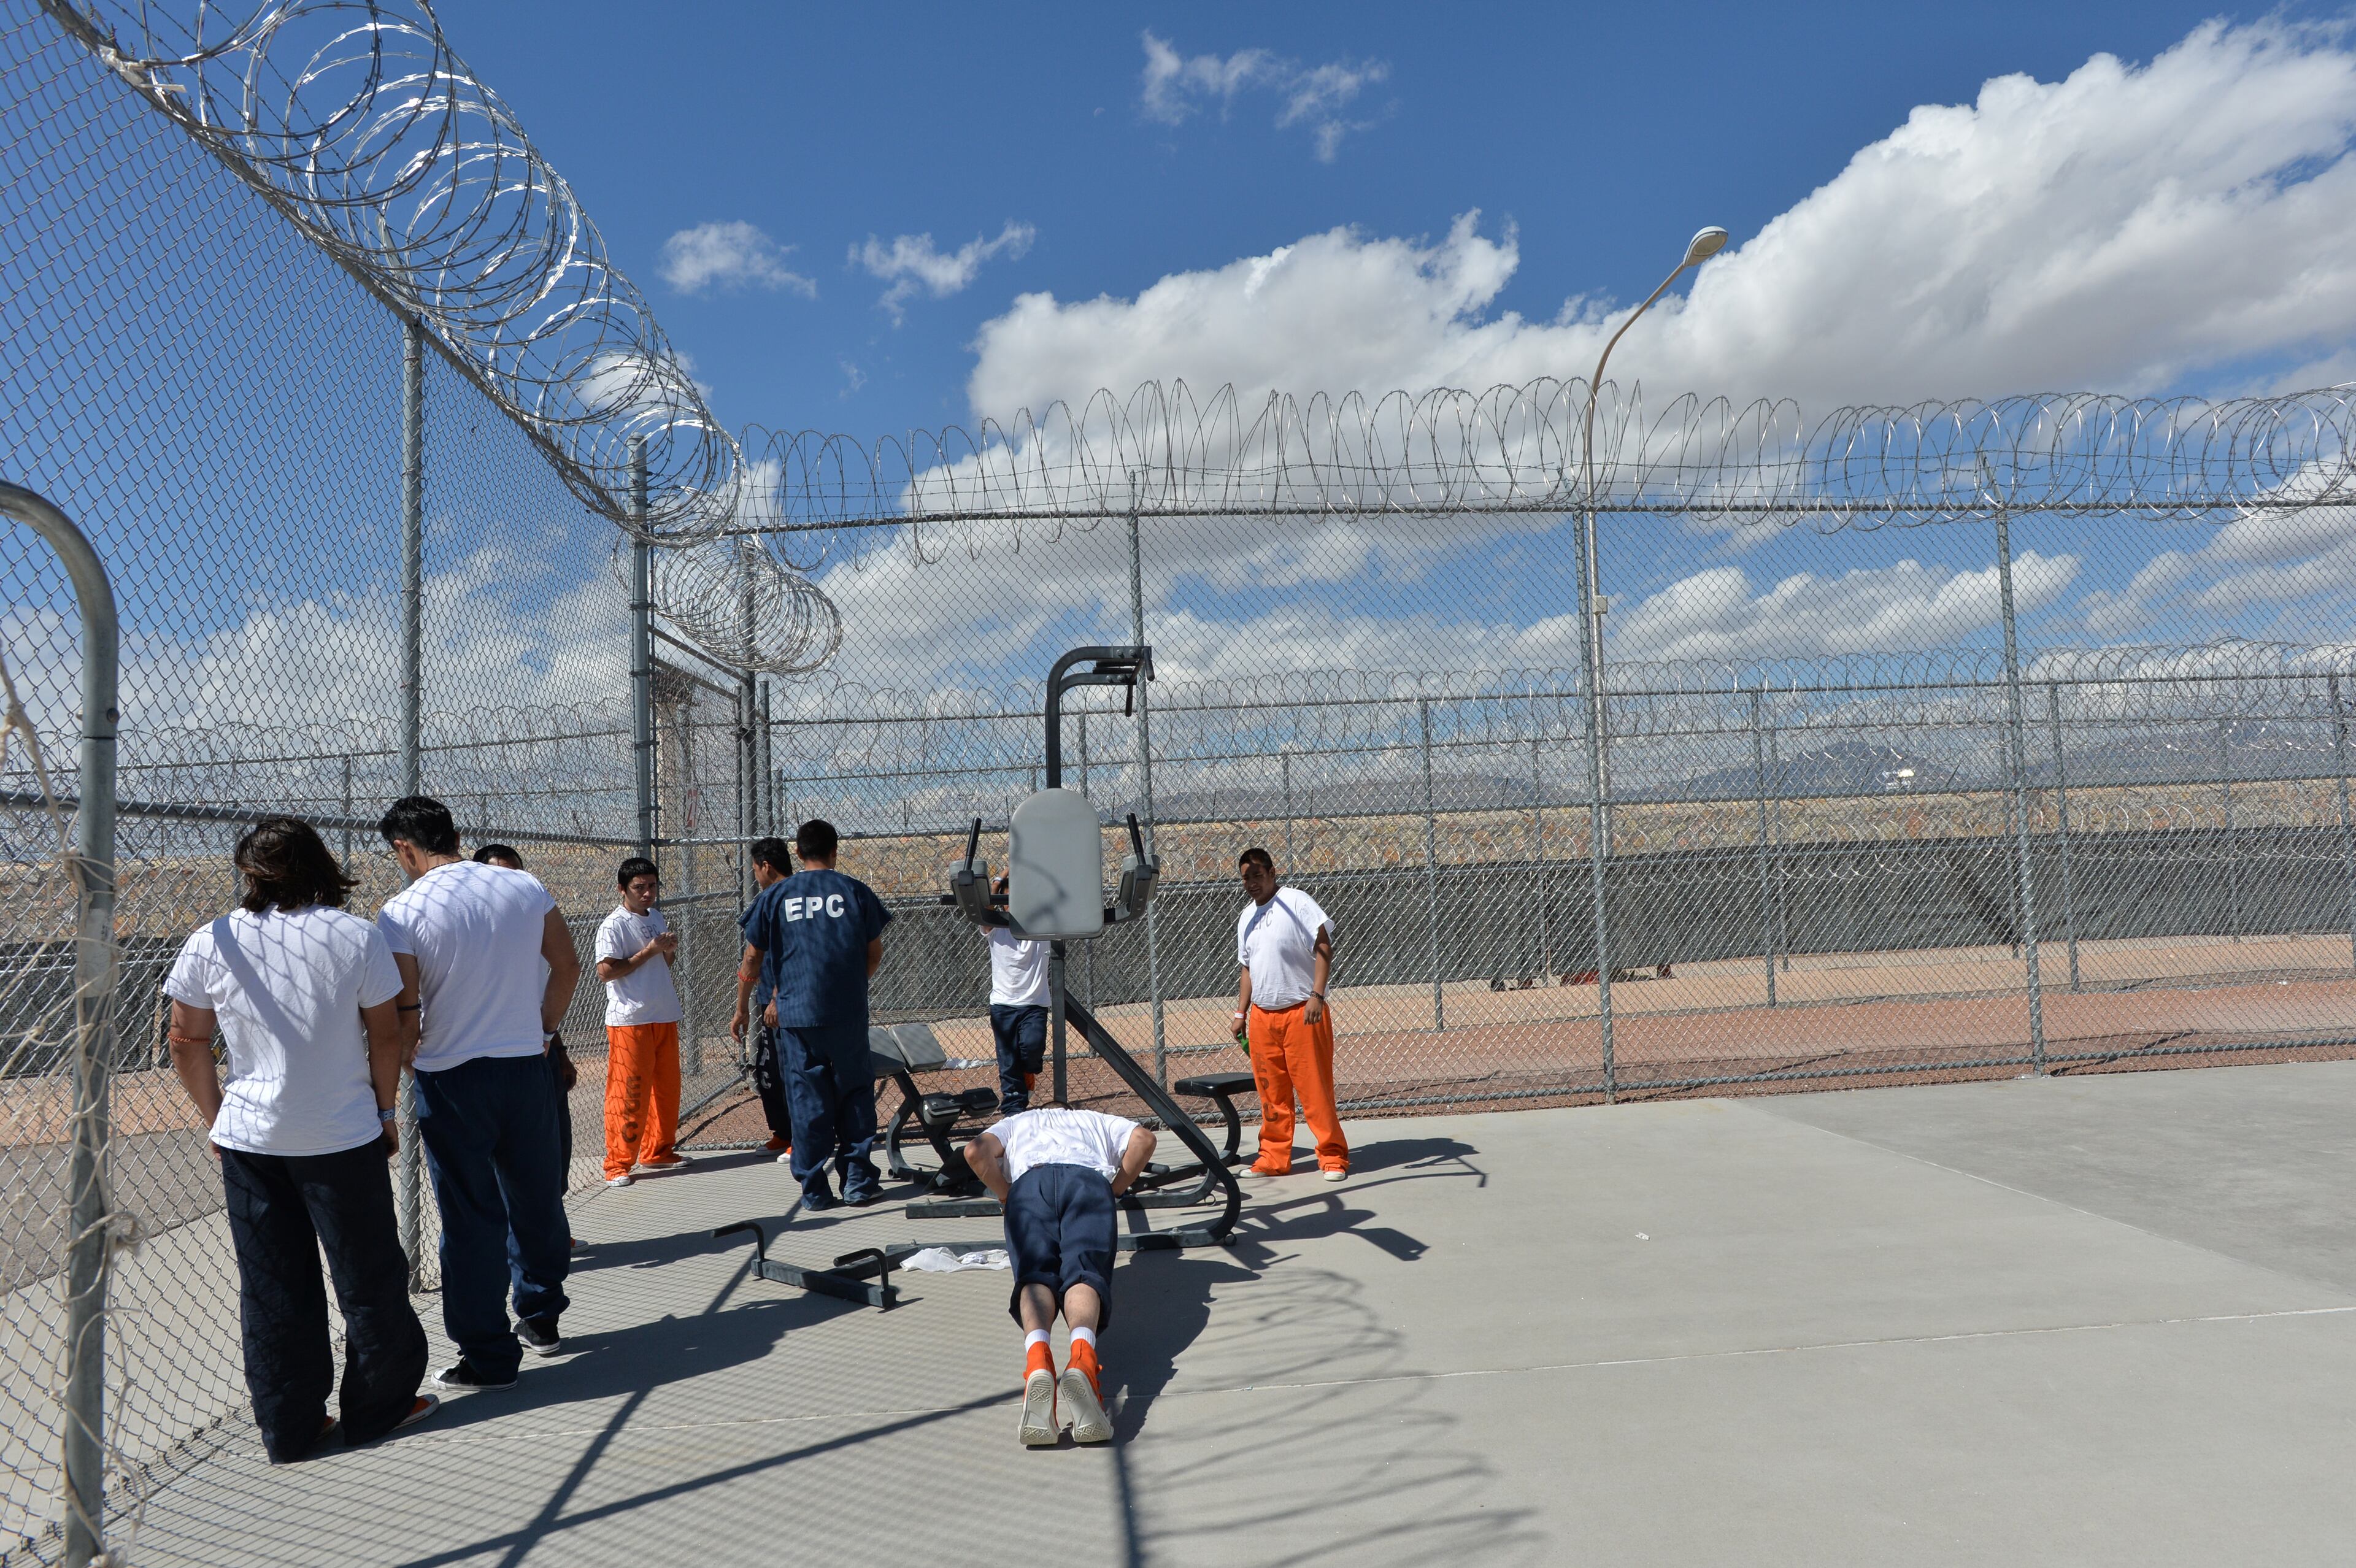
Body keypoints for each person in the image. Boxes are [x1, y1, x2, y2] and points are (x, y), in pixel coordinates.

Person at [164, 817, 436, 1462]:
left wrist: (218, 1118)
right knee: (367, 1275)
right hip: (341, 1133)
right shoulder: (354, 935)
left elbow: (185, 1038)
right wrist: (386, 1112)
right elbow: (386, 1035)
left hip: (252, 1139)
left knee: (273, 1282)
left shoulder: (215, 938)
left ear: (248, 872)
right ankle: (377, 1408)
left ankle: (289, 1425)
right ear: (321, 865)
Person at [376, 796, 581, 1390]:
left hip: (453, 1077)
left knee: (470, 1216)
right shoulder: (522, 888)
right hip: (524, 1068)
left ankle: (489, 1356)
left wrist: (406, 1062)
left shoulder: (402, 910)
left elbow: (406, 1011)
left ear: (404, 848)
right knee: (536, 1197)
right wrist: (543, 1029)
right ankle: (541, 1318)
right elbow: (566, 965)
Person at [963, 1107, 1155, 1448]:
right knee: (1084, 1272)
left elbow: (975, 1152)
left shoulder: (1017, 1123)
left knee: (1035, 1274)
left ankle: (1038, 1359)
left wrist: (1006, 1193)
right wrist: (1116, 1188)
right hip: (1087, 1182)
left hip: (1029, 1184)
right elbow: (1143, 1140)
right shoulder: (1098, 1120)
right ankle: (1082, 1359)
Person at [730, 819, 891, 1210]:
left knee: (806, 1098)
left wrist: (745, 1002)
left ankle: (815, 1188)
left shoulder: (776, 896)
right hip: (846, 1012)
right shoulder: (855, 891)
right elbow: (874, 953)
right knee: (854, 1092)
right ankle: (857, 1182)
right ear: (835, 851)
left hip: (796, 1015)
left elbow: (753, 955)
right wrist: (852, 985)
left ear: (798, 853)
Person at [475, 844, 582, 1248]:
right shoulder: (475, 937)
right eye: (498, 874)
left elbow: (548, 990)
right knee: (506, 1157)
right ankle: (515, 1239)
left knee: (555, 1144)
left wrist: (560, 1047)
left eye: (517, 874)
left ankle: (549, 1229)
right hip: (496, 1058)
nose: (510, 884)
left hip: (542, 1049)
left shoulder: (534, 927)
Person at [1233, 847, 1347, 1182]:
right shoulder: (1245, 918)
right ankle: (1273, 1157)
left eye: (1257, 875)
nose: (1252, 883)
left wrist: (1317, 995)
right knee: (1272, 1094)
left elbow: (1323, 945)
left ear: (1272, 873)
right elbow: (1247, 969)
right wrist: (1241, 1013)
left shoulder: (1296, 901)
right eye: (1246, 877)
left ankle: (1333, 1157)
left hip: (1303, 1013)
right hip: (1264, 1019)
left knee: (1315, 1092)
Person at [593, 857, 693, 1187]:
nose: (647, 893)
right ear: (623, 889)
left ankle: (658, 1150)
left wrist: (667, 951)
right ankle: (617, 1163)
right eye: (639, 887)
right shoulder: (614, 925)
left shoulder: (657, 916)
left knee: (666, 1090)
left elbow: (666, 962)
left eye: (652, 886)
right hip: (630, 1020)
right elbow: (606, 972)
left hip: (663, 1014)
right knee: (630, 1093)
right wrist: (649, 952)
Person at [740, 837, 795, 1159]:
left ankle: (798, 1136)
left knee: (787, 1068)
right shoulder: (803, 891)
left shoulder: (772, 897)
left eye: (755, 869)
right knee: (770, 1067)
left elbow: (752, 958)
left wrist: (740, 1009)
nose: (755, 876)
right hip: (779, 997)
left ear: (766, 866)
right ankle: (783, 1132)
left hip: (783, 1000)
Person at [984, 875, 1049, 1115]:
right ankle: (1014, 1111)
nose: (1015, 904)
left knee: (1031, 1048)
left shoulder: (1041, 924)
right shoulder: (995, 926)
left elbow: (1050, 897)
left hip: (1034, 1003)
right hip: (1003, 1004)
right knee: (1008, 1061)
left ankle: (1029, 1072)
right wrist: (1000, 878)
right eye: (1009, 898)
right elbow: (985, 906)